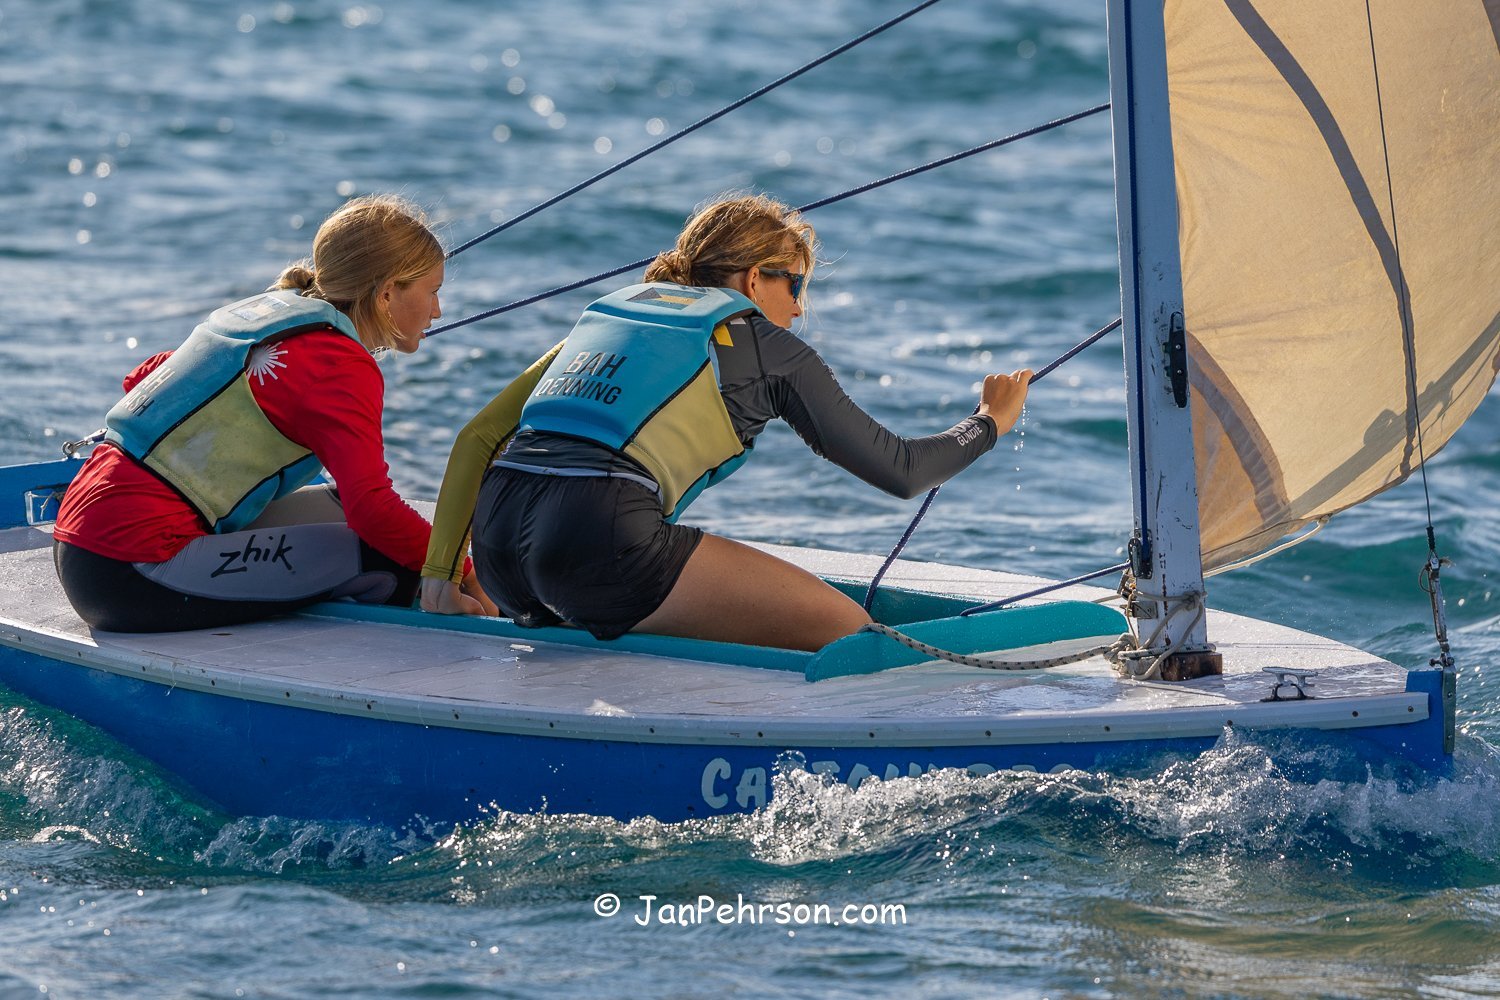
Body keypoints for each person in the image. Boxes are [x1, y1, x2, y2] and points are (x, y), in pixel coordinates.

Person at [420, 193, 1029, 651]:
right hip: (594, 537)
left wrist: (440, 577)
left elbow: (479, 437)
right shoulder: (764, 345)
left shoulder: (614, 312)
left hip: (499, 543)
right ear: (752, 278)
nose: (798, 307)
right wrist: (989, 422)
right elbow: (901, 470)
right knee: (852, 633)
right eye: (795, 284)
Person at [53, 194, 493, 632]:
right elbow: (373, 511)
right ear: (385, 294)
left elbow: (142, 378)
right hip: (131, 571)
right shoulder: (341, 364)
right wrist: (461, 573)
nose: (438, 310)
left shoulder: (266, 310)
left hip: (81, 544)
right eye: (432, 291)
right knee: (392, 559)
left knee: (347, 511)